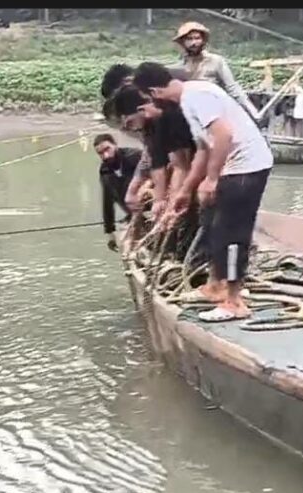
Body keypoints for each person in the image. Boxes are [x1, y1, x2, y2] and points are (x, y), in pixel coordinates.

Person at [133, 62, 273, 322]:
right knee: (211, 223)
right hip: (231, 167)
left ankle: (234, 302)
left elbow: (224, 135)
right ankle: (214, 286)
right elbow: (204, 149)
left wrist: (212, 178)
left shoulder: (198, 95)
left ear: (154, 92)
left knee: (232, 234)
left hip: (247, 167)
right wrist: (186, 191)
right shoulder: (187, 100)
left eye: (147, 99)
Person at [110, 84, 200, 262]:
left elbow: (181, 165)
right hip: (188, 165)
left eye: (129, 122)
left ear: (142, 108)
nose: (129, 129)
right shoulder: (150, 126)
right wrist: (156, 200)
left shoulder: (170, 116)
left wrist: (171, 204)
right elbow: (155, 162)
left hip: (210, 162)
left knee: (187, 208)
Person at [172, 21, 261, 121]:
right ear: (183, 42)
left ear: (203, 40)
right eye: (189, 39)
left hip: (214, 112)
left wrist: (252, 111)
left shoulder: (216, 61)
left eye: (197, 38)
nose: (194, 43)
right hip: (191, 113)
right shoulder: (180, 65)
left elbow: (232, 88)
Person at [94, 134, 140, 251]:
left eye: (107, 149)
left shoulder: (135, 156)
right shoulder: (104, 170)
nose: (105, 155)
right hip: (132, 214)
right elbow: (107, 201)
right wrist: (110, 232)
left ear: (115, 145)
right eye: (100, 153)